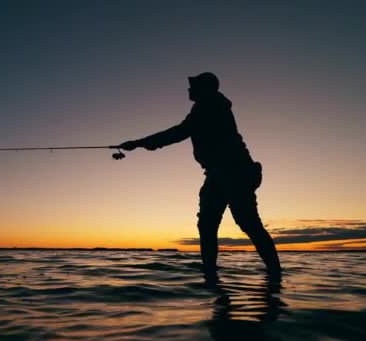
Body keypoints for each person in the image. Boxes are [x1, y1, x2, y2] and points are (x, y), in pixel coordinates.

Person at [120, 72, 281, 279]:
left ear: (204, 89)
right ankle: (215, 275)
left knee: (244, 222)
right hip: (218, 174)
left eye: (193, 86)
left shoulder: (208, 104)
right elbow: (180, 131)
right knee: (211, 224)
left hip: (234, 172)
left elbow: (178, 132)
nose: (188, 89)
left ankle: (269, 274)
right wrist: (141, 143)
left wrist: (138, 143)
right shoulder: (208, 105)